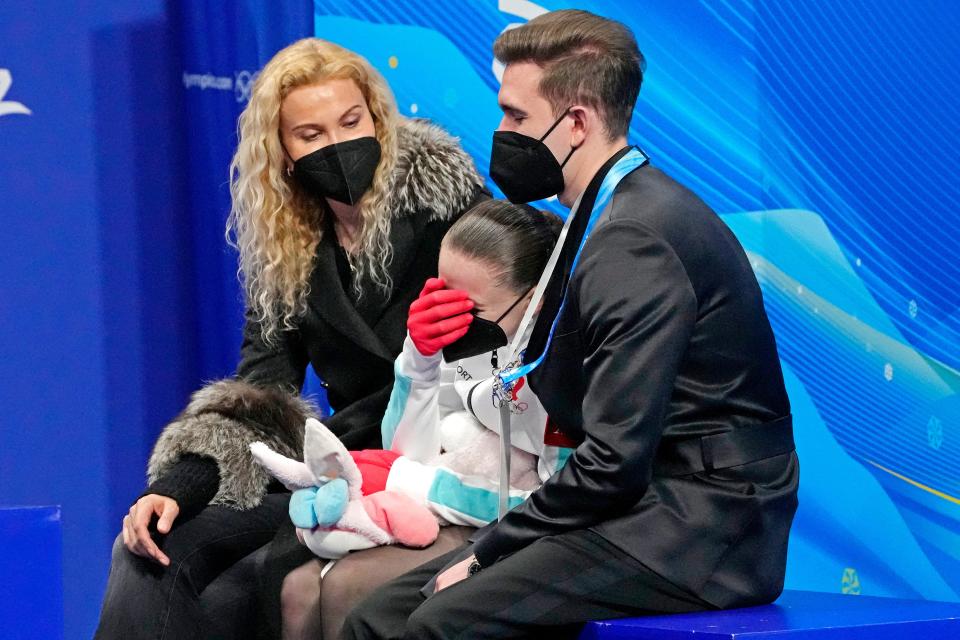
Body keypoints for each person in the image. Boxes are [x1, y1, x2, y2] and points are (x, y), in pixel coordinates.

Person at [342, 9, 799, 640]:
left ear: (577, 123)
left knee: (436, 623)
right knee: (376, 616)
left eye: (517, 116)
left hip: (702, 526)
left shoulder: (635, 237)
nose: (501, 132)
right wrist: (421, 361)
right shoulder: (599, 216)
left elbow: (613, 460)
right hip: (645, 506)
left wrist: (489, 549)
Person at [94, 37, 486, 640]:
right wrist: (177, 488)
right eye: (311, 134)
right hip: (337, 467)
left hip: (440, 471)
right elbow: (261, 392)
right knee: (150, 549)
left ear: (379, 120)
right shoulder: (289, 250)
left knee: (252, 586)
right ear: (283, 152)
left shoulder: (457, 214)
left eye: (351, 121)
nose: (336, 144)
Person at [273, 200, 571, 639]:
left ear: (534, 302)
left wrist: (420, 485)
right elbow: (409, 452)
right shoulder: (469, 346)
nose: (454, 318)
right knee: (297, 590)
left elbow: (554, 500)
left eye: (472, 309)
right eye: (443, 296)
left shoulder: (565, 370)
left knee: (346, 587)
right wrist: (420, 359)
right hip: (440, 508)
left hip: (512, 529)